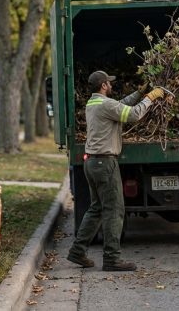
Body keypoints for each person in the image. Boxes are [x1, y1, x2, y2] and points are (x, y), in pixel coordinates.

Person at [67, 70, 164, 271]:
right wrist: (150, 98)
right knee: (114, 210)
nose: (111, 85)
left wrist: (138, 94)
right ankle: (111, 259)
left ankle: (77, 251)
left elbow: (119, 105)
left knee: (96, 208)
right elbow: (134, 115)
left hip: (91, 163)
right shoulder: (105, 104)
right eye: (109, 83)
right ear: (103, 85)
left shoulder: (93, 103)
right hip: (105, 164)